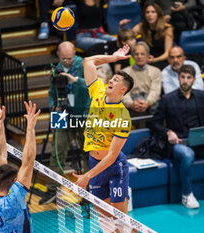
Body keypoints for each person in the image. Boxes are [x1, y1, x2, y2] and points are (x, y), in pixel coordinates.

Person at [152, 64, 204, 209]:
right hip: (179, 143)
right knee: (187, 154)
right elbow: (155, 123)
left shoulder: (202, 96)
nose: (185, 81)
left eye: (188, 78)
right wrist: (168, 132)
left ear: (194, 80)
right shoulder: (167, 99)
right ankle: (186, 194)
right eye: (182, 77)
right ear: (178, 78)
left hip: (202, 141)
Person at [73, 45, 134, 217]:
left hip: (115, 167)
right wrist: (113, 58)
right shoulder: (98, 92)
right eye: (112, 78)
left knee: (121, 219)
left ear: (123, 90)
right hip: (94, 162)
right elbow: (89, 61)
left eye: (115, 81)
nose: (110, 81)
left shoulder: (123, 116)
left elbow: (112, 156)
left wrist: (86, 176)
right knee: (104, 218)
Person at [40, 41, 90, 205]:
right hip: (61, 112)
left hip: (83, 113)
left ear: (75, 53)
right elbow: (51, 92)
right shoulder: (56, 68)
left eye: (69, 58)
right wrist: (53, 107)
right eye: (64, 59)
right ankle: (52, 190)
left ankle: (87, 192)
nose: (67, 61)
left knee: (87, 153)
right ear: (58, 55)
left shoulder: (84, 64)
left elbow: (91, 86)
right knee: (57, 151)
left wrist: (74, 80)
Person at [0, 97, 40, 233]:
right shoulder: (13, 199)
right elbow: (28, 163)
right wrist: (30, 128)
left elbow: (0, 156)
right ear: (14, 180)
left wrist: (0, 123)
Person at [119, 2, 173, 69]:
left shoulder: (167, 28)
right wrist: (121, 27)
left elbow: (167, 53)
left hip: (161, 60)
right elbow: (126, 37)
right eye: (147, 12)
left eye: (153, 12)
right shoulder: (141, 26)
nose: (150, 15)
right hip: (146, 59)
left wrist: (154, 60)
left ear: (158, 14)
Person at [122, 42, 162, 118]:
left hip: (150, 103)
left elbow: (155, 91)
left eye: (142, 54)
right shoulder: (125, 72)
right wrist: (131, 104)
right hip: (131, 104)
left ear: (147, 55)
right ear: (133, 56)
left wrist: (147, 103)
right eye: (136, 54)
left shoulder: (156, 71)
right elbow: (123, 93)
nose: (139, 57)